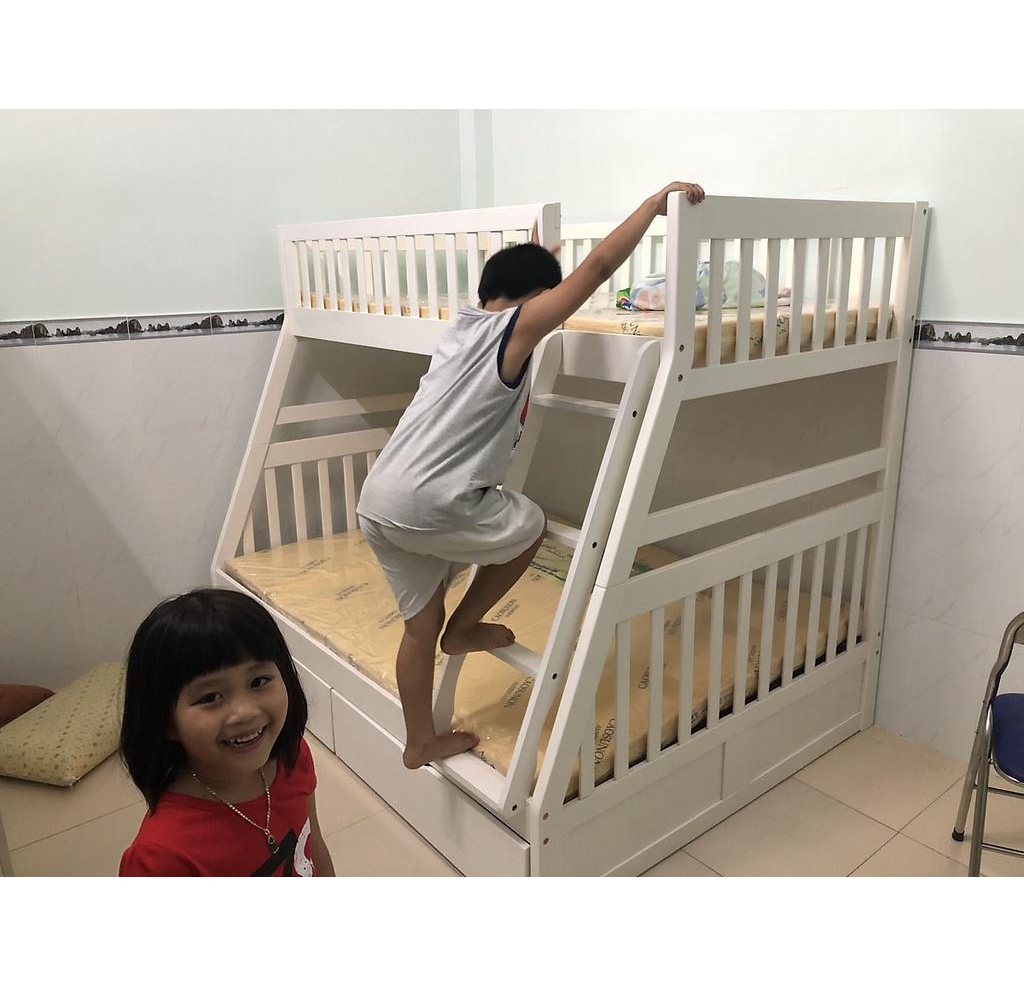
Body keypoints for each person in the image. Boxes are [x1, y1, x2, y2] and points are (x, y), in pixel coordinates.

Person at [357, 181, 705, 770]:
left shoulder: (460, 328)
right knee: (532, 526)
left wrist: (541, 256)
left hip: (379, 501)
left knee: (418, 630)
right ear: (537, 299)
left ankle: (419, 741)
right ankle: (466, 626)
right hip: (431, 503)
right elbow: (597, 268)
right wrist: (651, 206)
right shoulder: (513, 330)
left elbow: (535, 283)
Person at [118, 588, 335, 876]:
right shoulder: (160, 857)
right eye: (210, 697)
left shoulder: (292, 757)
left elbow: (314, 844)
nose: (245, 712)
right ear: (165, 721)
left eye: (259, 681)